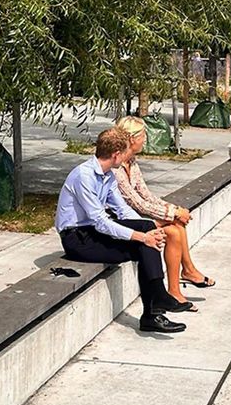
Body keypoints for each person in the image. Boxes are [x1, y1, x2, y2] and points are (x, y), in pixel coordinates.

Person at [54, 126, 190, 334]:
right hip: (77, 239)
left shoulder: (107, 176)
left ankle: (154, 308)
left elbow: (122, 210)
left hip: (92, 231)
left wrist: (149, 231)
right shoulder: (84, 176)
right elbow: (100, 220)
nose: (128, 157)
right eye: (125, 153)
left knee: (146, 235)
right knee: (142, 244)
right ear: (116, 155)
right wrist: (141, 237)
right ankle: (155, 307)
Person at [114, 116, 216, 305]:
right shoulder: (116, 168)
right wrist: (173, 214)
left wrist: (173, 208)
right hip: (121, 221)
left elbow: (146, 195)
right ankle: (181, 280)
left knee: (177, 225)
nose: (146, 138)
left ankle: (183, 278)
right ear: (131, 138)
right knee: (173, 230)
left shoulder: (132, 163)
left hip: (135, 216)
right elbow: (137, 204)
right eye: (143, 134)